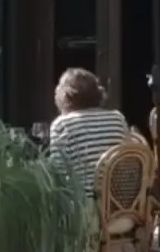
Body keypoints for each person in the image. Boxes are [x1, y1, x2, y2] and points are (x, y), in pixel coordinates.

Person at [46, 68, 130, 196]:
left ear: (65, 95)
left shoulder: (62, 124)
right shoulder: (118, 118)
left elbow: (58, 174)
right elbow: (127, 158)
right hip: (120, 202)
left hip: (84, 206)